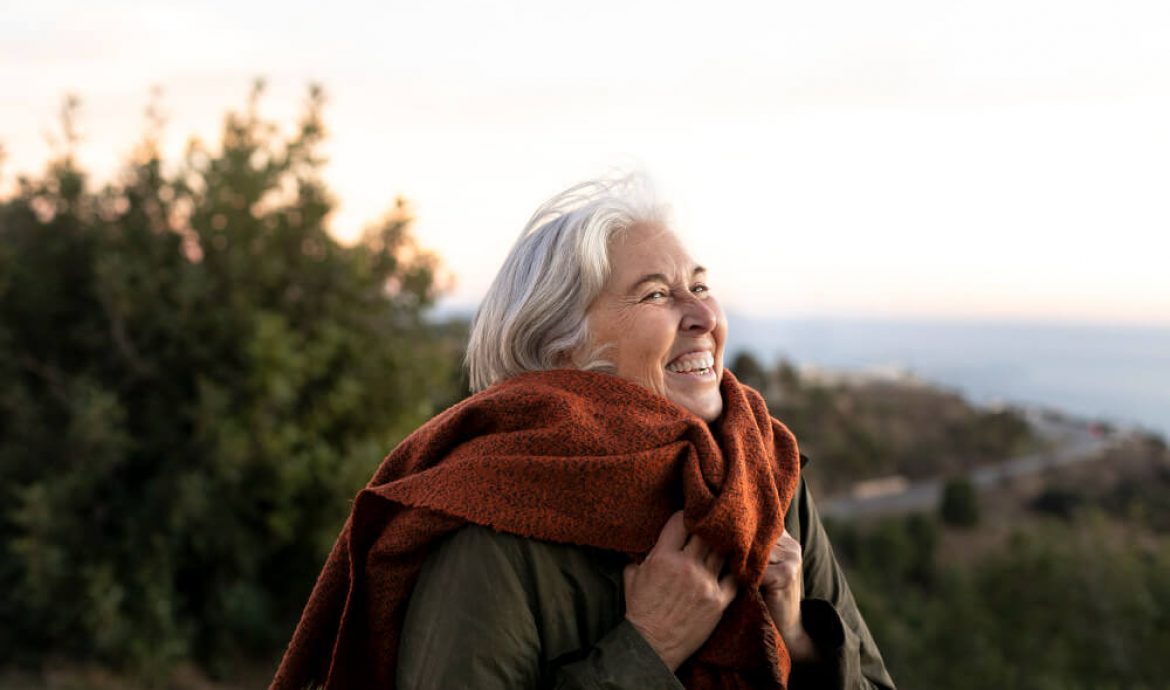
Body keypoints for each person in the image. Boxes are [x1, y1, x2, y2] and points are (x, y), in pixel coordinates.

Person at [270, 175, 896, 690]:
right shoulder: (490, 518)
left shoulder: (760, 476)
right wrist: (647, 648)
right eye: (656, 295)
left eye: (700, 286)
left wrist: (802, 643)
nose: (704, 315)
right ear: (562, 348)